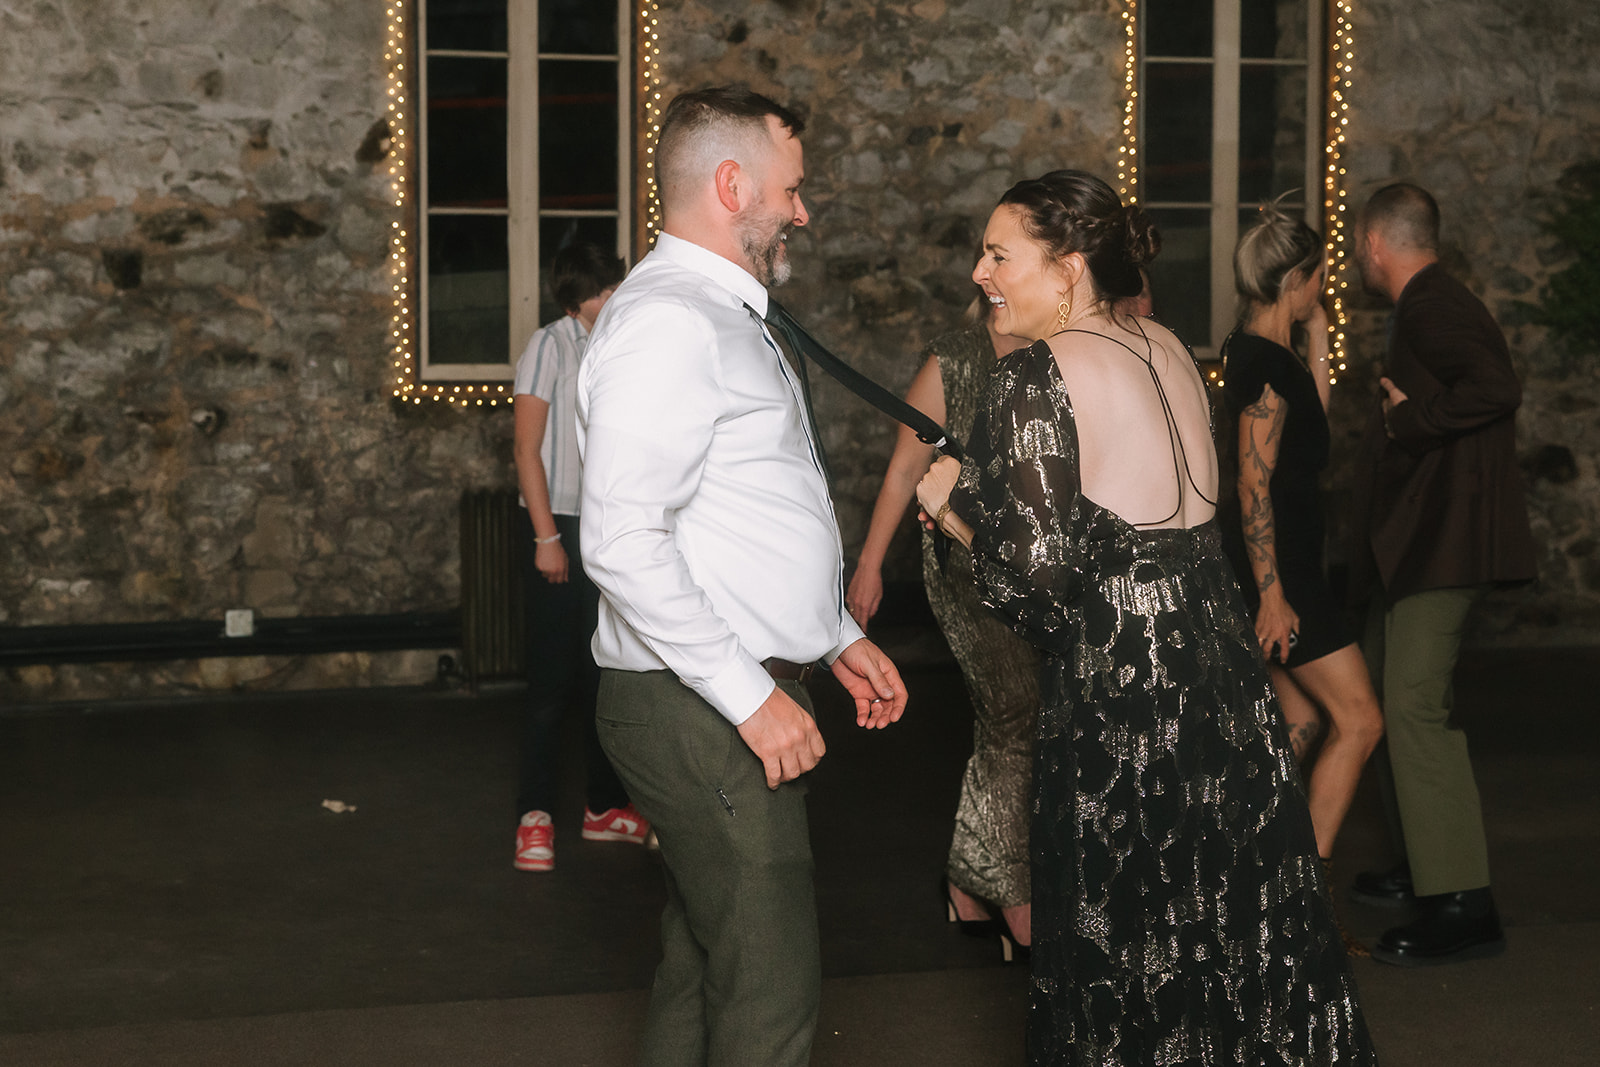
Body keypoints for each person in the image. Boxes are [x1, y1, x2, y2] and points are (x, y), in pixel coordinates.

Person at [915, 170, 1376, 1063]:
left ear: (1070, 268)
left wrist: (954, 516)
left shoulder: (1035, 376)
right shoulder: (1167, 343)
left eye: (1000, 253)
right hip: (1227, 690)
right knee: (1231, 937)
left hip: (1125, 711)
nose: (981, 272)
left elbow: (1038, 591)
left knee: (1130, 951)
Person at [576, 86, 909, 1065]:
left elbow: (745, 514)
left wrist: (830, 637)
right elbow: (623, 538)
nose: (801, 210)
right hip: (697, 705)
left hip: (713, 689)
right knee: (768, 994)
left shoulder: (717, 315)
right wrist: (750, 695)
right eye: (791, 188)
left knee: (707, 962)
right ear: (732, 184)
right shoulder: (670, 322)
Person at [1347, 183, 1537, 966]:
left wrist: (1408, 421)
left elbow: (1496, 387)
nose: (1358, 256)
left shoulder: (1430, 304)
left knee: (1415, 708)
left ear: (1379, 244)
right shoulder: (1427, 301)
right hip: (1420, 542)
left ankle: (1461, 901)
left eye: (1360, 243)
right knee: (1387, 691)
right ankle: (1424, 860)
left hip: (1443, 544)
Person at [846, 298, 1038, 958]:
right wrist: (869, 566)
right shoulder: (955, 356)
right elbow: (905, 466)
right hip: (967, 564)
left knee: (1025, 715)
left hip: (1041, 564)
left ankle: (968, 879)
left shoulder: (1064, 347)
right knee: (1011, 710)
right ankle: (1013, 892)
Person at [1218, 203, 1385, 952]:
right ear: (1300, 277)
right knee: (1360, 719)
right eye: (1320, 278)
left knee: (1300, 724)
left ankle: (1246, 889)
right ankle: (1299, 912)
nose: (1327, 286)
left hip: (1291, 570)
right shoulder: (1259, 366)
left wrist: (1316, 336)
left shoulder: (1269, 354)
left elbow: (1308, 434)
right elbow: (1252, 487)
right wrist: (1273, 593)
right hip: (1284, 579)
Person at [510, 241, 648, 872]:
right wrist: (546, 539)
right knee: (549, 684)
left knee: (604, 676)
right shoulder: (550, 345)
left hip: (606, 527)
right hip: (557, 524)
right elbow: (526, 450)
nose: (617, 294)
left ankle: (602, 808)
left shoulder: (619, 344)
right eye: (607, 287)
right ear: (581, 297)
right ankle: (533, 818)